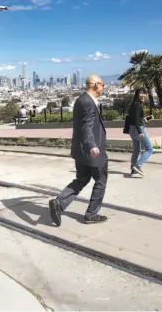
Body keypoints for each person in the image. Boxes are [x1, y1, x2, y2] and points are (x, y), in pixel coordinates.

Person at [49, 74, 108, 226]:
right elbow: (86, 126)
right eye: (102, 84)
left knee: (82, 179)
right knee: (101, 180)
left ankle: (59, 203)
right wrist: (92, 145)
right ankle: (91, 214)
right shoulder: (88, 102)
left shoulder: (80, 99)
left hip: (80, 150)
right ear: (95, 85)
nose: (103, 87)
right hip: (91, 151)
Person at [127, 88, 154, 176]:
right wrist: (139, 131)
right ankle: (138, 166)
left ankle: (133, 168)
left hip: (132, 129)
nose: (143, 95)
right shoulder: (137, 105)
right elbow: (136, 120)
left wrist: (149, 117)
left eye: (144, 93)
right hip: (137, 129)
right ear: (137, 94)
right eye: (141, 93)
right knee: (149, 149)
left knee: (137, 150)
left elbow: (140, 118)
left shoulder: (136, 104)